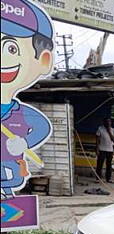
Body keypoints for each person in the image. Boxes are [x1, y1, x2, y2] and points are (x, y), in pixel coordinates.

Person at [1, 0, 54, 198]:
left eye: (11, 49)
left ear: (44, 61)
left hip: (9, 170)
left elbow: (42, 128)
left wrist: (24, 142)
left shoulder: (23, 113)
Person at [95, 118, 114, 182]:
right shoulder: (100, 129)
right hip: (102, 149)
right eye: (107, 122)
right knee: (100, 164)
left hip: (110, 150)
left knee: (109, 165)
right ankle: (98, 178)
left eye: (109, 122)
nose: (108, 123)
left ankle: (108, 178)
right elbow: (97, 140)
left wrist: (109, 131)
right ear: (104, 122)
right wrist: (97, 149)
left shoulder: (113, 130)